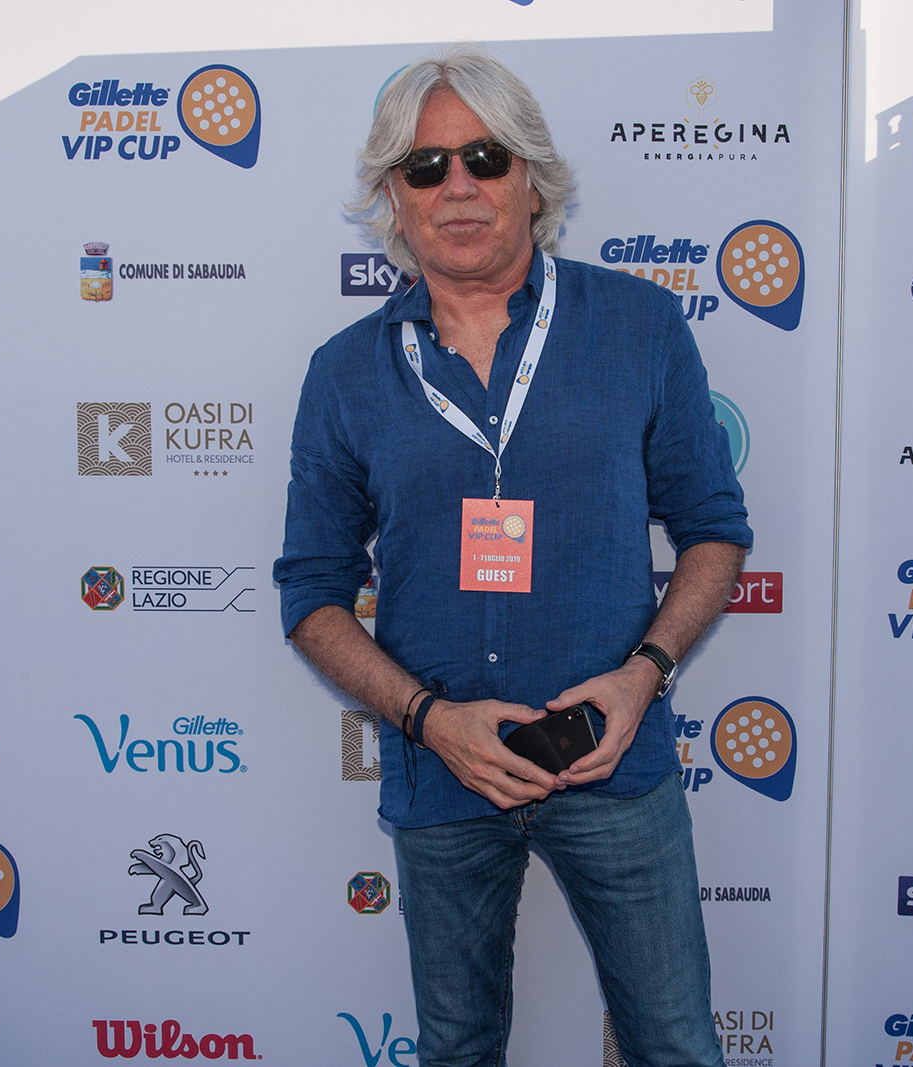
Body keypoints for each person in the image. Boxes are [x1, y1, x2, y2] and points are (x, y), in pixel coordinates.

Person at [274, 45, 749, 1067]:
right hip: (442, 773)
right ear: (392, 198)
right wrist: (427, 719)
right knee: (456, 1050)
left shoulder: (640, 325)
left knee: (674, 1044)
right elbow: (310, 593)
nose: (457, 186)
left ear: (532, 176)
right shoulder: (345, 372)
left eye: (484, 157)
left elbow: (713, 528)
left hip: (612, 762)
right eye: (424, 166)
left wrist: (644, 676)